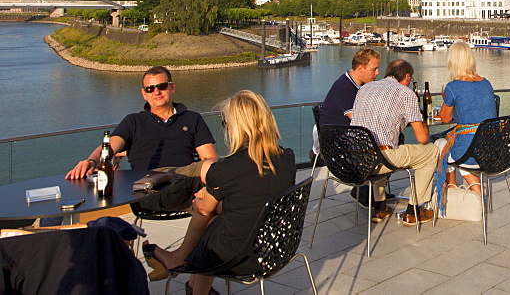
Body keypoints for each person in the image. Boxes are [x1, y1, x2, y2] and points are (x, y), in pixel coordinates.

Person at [142, 90, 295, 295]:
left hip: (241, 258)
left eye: (226, 124)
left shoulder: (228, 169)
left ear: (237, 128)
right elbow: (254, 198)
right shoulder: (287, 159)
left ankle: (178, 262)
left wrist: (201, 200)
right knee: (216, 218)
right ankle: (190, 280)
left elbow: (203, 210)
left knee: (208, 219)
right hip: (277, 248)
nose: (227, 129)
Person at [65, 66, 217, 211]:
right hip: (146, 188)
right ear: (144, 94)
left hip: (185, 183)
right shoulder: (133, 122)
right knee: (214, 175)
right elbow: (110, 147)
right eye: (150, 89)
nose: (156, 92)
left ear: (172, 88)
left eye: (162, 86)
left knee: (224, 199)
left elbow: (209, 157)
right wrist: (91, 161)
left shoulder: (192, 119)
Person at [352, 59, 440, 226]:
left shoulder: (365, 88)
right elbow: (422, 138)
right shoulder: (406, 94)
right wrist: (422, 123)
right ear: (407, 77)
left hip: (357, 157)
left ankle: (380, 207)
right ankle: (414, 211)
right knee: (431, 152)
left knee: (379, 148)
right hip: (382, 158)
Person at [314, 47, 393, 206]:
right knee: (392, 143)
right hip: (339, 147)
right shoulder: (344, 88)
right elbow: (359, 119)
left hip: (349, 140)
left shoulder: (358, 86)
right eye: (374, 69)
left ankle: (375, 191)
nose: (377, 73)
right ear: (360, 68)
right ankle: (365, 191)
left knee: (392, 141)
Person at [438, 41, 497, 192]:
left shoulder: (453, 87)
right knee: (461, 143)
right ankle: (470, 187)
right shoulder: (486, 83)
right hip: (490, 148)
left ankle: (454, 185)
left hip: (470, 151)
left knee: (441, 144)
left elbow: (445, 119)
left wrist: (448, 100)